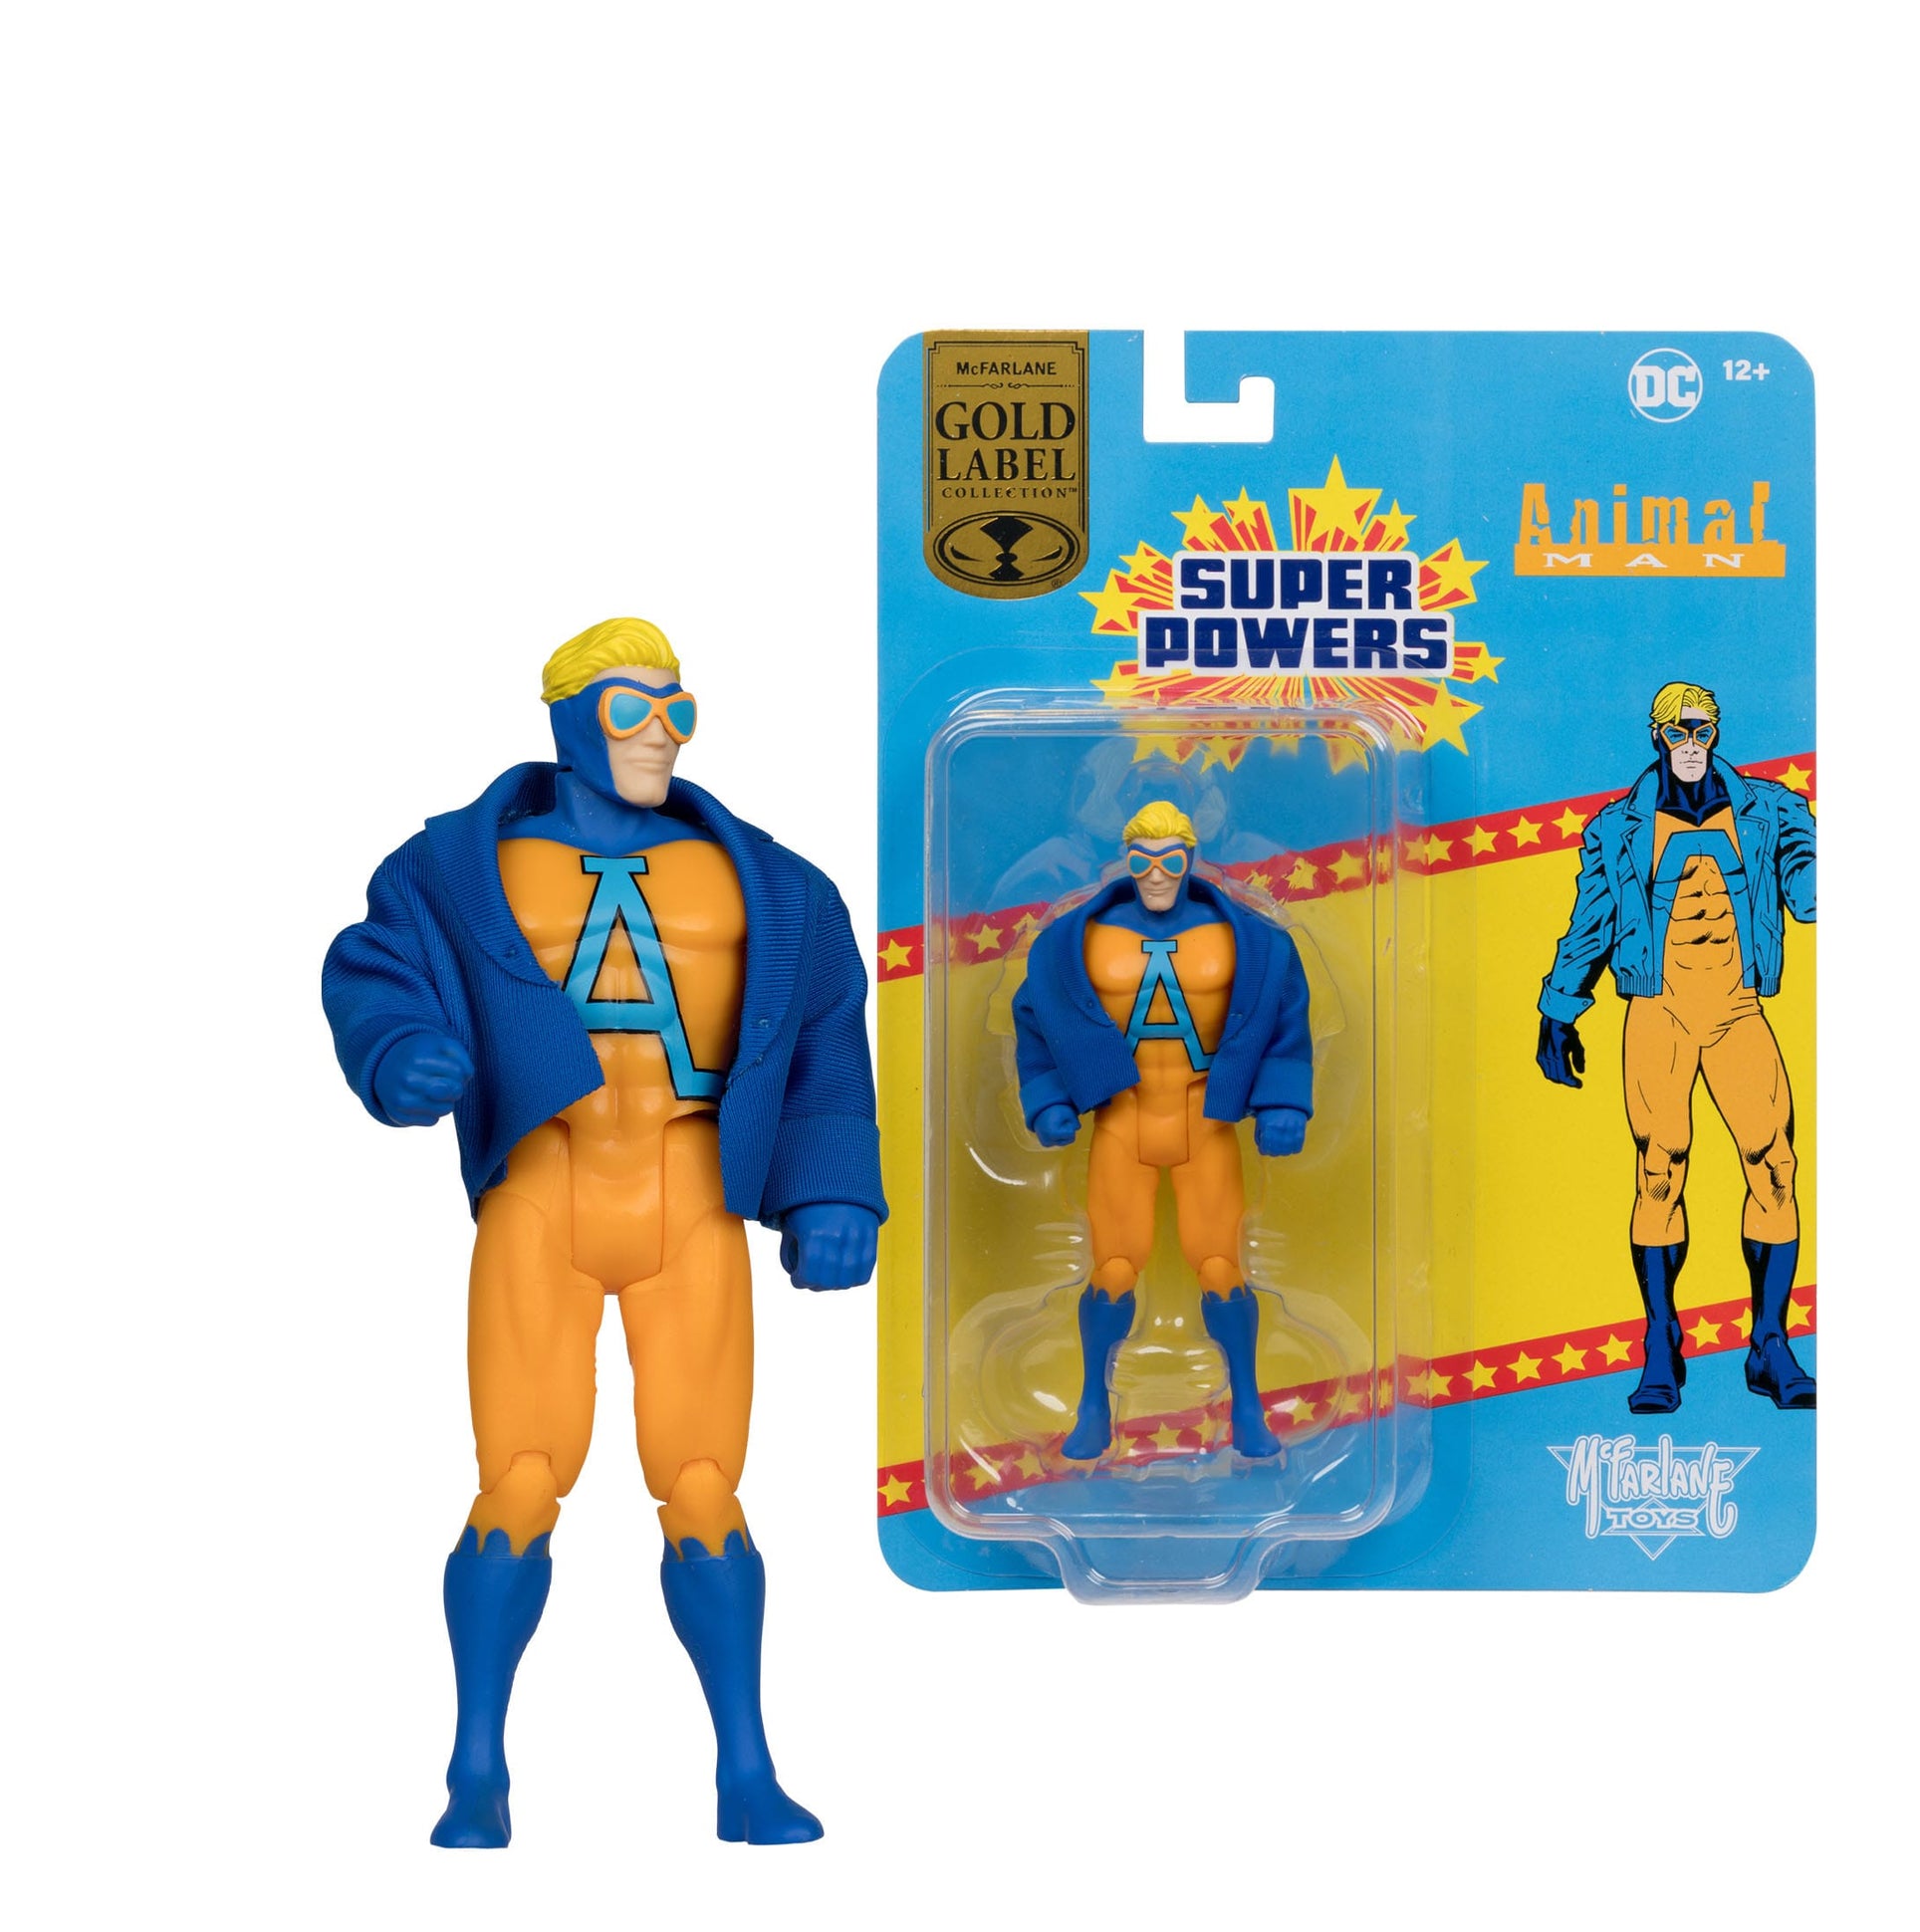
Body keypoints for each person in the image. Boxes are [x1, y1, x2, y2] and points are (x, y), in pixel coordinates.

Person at [323, 617, 884, 1845]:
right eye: (633, 709)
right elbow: (376, 965)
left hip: (691, 1191)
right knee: (519, 1476)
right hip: (542, 1187)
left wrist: (832, 1185)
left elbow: (825, 1029)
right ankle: (475, 1763)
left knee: (705, 1482)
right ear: (567, 715)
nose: (660, 733)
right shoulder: (458, 866)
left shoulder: (771, 882)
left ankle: (746, 1770)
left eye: (678, 708)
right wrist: (398, 1049)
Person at [1537, 679, 1816, 1412]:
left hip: (1737, 1008)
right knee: (1659, 1170)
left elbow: (1807, 885)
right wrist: (1559, 1009)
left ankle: (1770, 1345)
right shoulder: (1617, 827)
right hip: (1657, 1011)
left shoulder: (1771, 810)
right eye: (1678, 731)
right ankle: (1661, 1344)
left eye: (1702, 731)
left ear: (1716, 734)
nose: (1691, 744)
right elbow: (1592, 921)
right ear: (1657, 735)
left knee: (1775, 1163)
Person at [1012, 802, 1314, 1461]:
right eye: (1142, 860)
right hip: (1123, 1116)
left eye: (1170, 860)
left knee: (1221, 1264)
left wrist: (1283, 1102)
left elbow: (1286, 1016)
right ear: (1125, 860)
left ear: (1191, 858)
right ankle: (1093, 1404)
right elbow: (1036, 1018)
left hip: (1207, 1116)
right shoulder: (1075, 942)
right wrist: (1049, 1098)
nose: (1156, 875)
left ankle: (1248, 1406)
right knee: (1114, 1266)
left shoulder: (1248, 940)